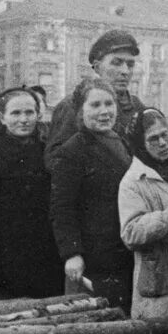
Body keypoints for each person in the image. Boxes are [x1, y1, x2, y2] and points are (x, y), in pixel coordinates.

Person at [0, 87, 62, 300]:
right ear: (2, 117)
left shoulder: (47, 152)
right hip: (7, 256)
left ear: (39, 114)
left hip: (46, 253)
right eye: (16, 113)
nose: (24, 119)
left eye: (29, 113)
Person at [51, 78, 135, 312]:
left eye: (109, 104)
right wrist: (72, 253)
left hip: (124, 250)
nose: (104, 111)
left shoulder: (124, 142)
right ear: (80, 111)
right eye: (95, 105)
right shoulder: (72, 151)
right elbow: (62, 208)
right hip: (95, 256)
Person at [118, 108, 168, 331]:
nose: (163, 142)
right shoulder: (134, 181)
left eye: (166, 135)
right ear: (140, 143)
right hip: (158, 275)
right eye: (153, 138)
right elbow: (130, 232)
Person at [46, 30, 146, 170]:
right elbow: (55, 161)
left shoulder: (137, 107)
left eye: (130, 65)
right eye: (116, 63)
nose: (125, 71)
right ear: (98, 67)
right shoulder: (73, 105)